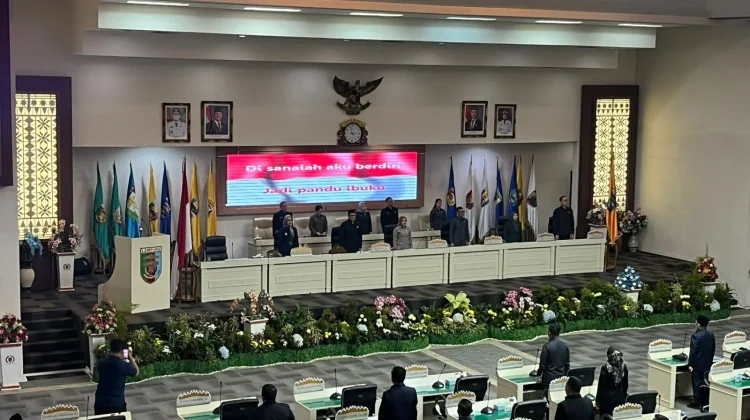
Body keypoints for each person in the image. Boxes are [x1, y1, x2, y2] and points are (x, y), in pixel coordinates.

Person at [94, 339, 139, 415]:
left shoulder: (101, 363)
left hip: (100, 403)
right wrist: (130, 357)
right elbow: (136, 372)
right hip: (117, 404)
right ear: (122, 351)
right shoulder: (122, 365)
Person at [688, 314, 716, 409]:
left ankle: (696, 401)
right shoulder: (711, 335)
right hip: (707, 363)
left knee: (696, 383)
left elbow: (693, 352)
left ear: (699, 324)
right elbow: (713, 349)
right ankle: (705, 400)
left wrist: (690, 364)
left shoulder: (696, 336)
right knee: (705, 382)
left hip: (697, 364)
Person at [596, 346, 629, 416]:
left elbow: (602, 387)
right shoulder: (624, 367)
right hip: (620, 400)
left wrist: (598, 401)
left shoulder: (605, 368)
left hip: (607, 402)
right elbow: (625, 385)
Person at [536, 324, 570, 390]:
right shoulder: (565, 346)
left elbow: (542, 364)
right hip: (561, 378)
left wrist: (538, 375)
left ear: (549, 333)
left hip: (548, 379)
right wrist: (564, 376)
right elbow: (567, 364)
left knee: (547, 395)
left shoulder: (547, 346)